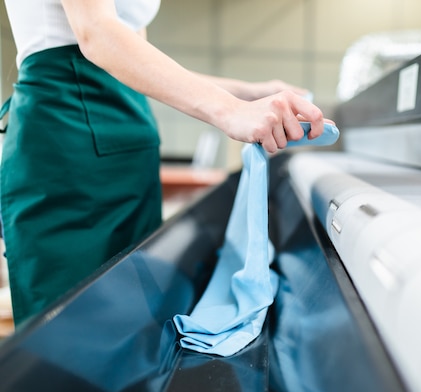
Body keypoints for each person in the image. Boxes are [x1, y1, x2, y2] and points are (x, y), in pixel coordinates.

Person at [0, 0, 331, 327]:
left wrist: (247, 93)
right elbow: (96, 33)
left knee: (125, 316)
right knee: (71, 332)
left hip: (129, 132)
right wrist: (229, 111)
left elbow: (132, 52)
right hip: (70, 131)